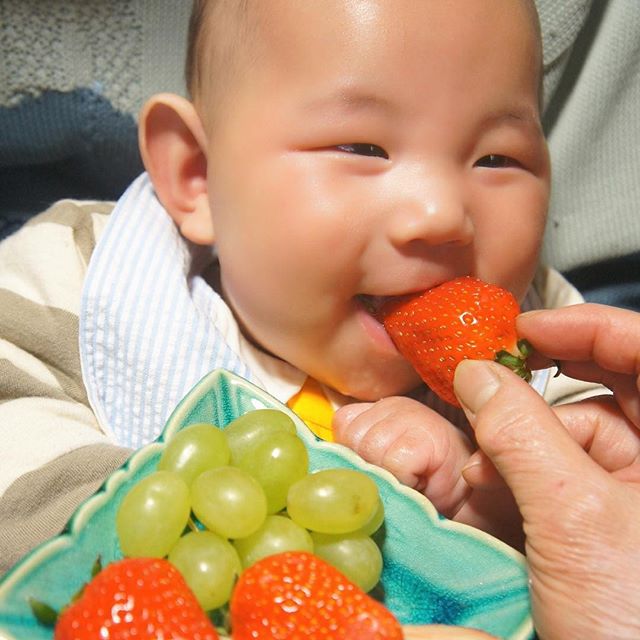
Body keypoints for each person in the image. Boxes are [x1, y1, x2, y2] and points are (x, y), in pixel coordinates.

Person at [0, 1, 631, 637]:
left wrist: (484, 498)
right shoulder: (81, 271)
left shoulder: (555, 335)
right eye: (363, 147)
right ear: (198, 175)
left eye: (497, 159)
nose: (442, 213)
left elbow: (606, 531)